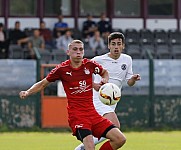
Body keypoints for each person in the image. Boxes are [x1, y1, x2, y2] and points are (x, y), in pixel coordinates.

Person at [19, 39, 126, 150]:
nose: (78, 52)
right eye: (75, 49)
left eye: (81, 49)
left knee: (120, 139)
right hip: (78, 117)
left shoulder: (89, 65)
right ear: (68, 52)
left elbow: (104, 72)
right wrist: (27, 92)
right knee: (90, 147)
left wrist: (104, 80)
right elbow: (42, 84)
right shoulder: (62, 69)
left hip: (93, 115)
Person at [75, 32, 141, 150]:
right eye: (113, 44)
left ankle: (85, 146)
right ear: (109, 46)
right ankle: (84, 146)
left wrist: (133, 79)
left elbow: (129, 83)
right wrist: (94, 84)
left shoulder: (127, 59)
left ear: (123, 46)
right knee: (115, 126)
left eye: (119, 44)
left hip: (112, 101)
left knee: (113, 132)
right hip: (98, 99)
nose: (116, 47)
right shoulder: (99, 60)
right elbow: (83, 72)